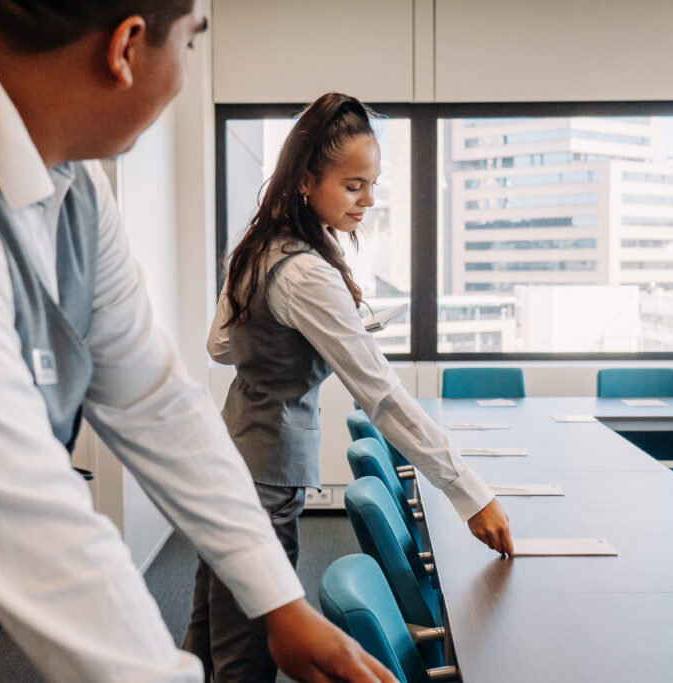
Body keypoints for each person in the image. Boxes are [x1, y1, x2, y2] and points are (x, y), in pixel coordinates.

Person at [0, 3, 396, 682]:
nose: (185, 71)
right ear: (125, 48)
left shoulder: (70, 175)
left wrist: (279, 598)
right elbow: (35, 534)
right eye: (189, 43)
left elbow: (154, 398)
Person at [186, 92, 515, 682]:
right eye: (354, 185)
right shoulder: (309, 272)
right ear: (308, 181)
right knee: (244, 658)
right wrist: (470, 492)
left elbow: (221, 347)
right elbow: (382, 395)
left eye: (373, 184)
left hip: (228, 455)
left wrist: (289, 339)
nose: (368, 200)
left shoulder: (261, 248)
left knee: (207, 637)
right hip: (264, 474)